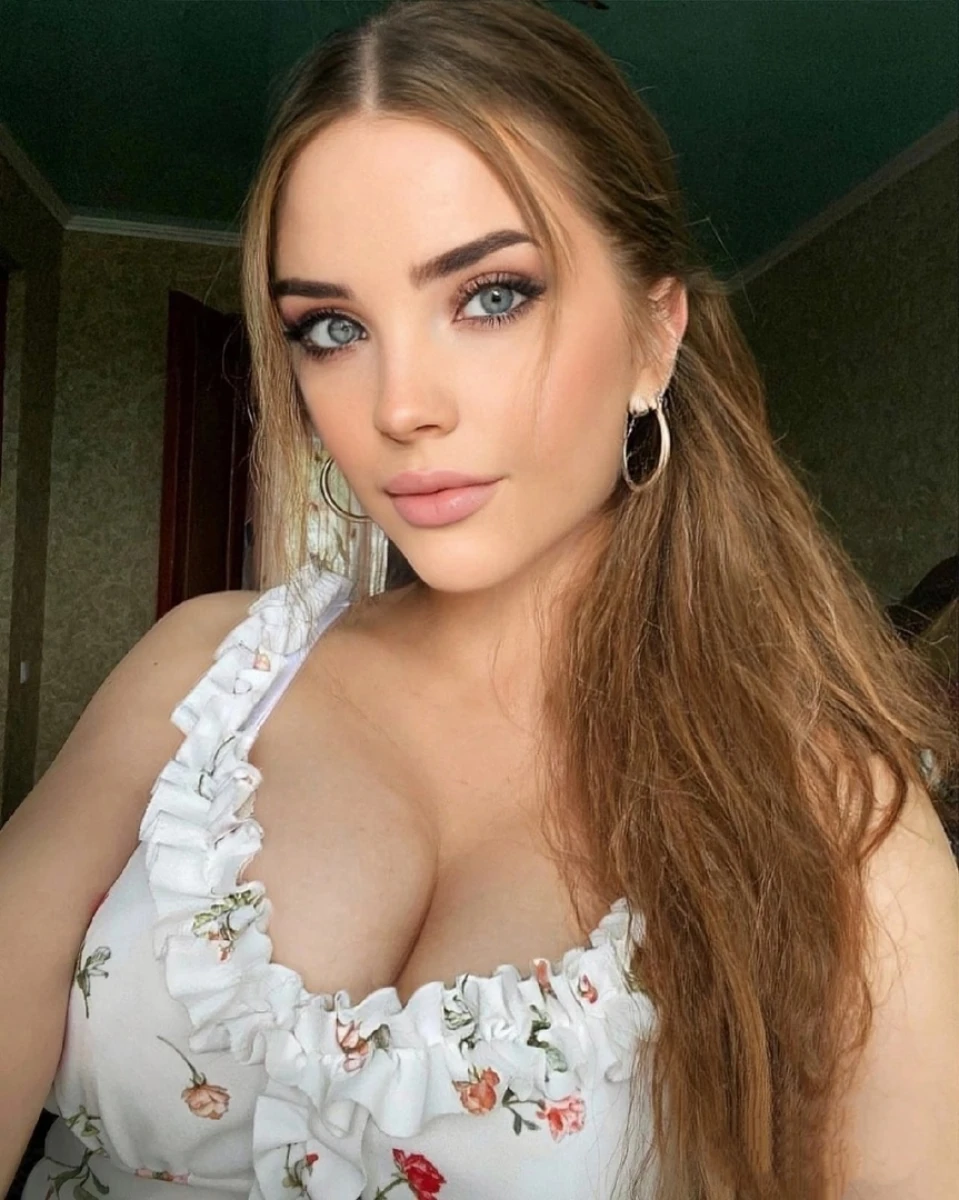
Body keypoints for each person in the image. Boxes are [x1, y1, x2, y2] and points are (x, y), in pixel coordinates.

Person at [2, 1, 957, 1197]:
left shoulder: (837, 827)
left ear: (654, 335)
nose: (400, 405)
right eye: (332, 327)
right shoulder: (206, 673)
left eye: (491, 295)